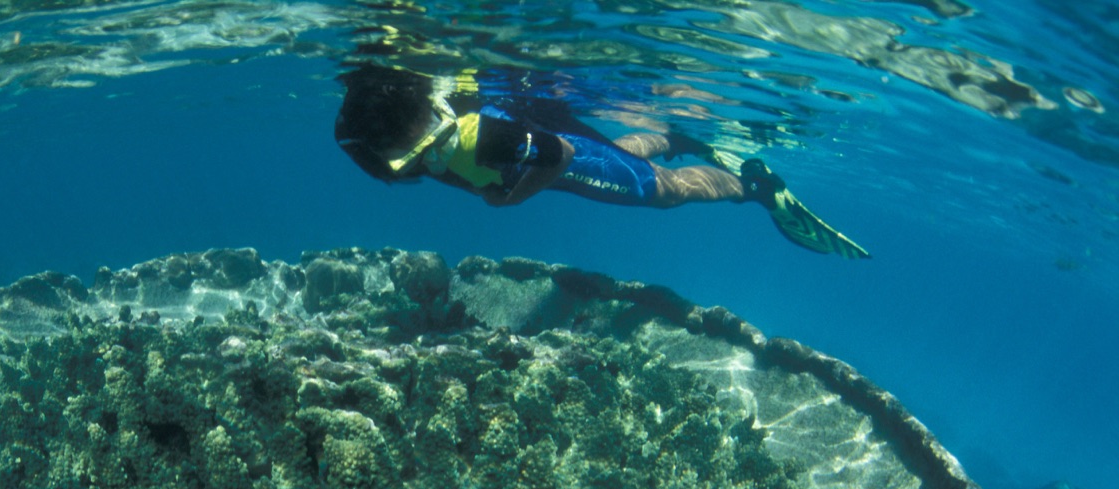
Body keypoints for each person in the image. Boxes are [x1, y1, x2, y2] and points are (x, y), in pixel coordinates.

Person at [335, 65, 869, 259]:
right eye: (411, 164)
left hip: (544, 162)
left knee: (659, 193)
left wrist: (509, 199)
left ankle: (755, 186)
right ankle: (669, 133)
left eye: (435, 147)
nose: (430, 164)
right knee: (615, 159)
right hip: (536, 155)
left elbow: (561, 154)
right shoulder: (371, 138)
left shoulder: (483, 137)